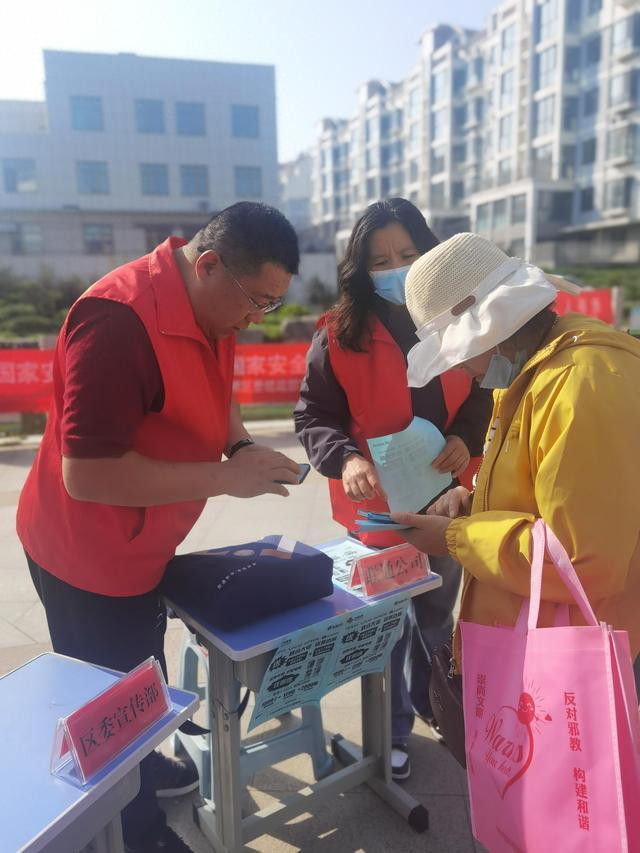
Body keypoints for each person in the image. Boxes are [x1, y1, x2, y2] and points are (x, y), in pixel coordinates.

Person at [16, 202, 303, 853]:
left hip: (143, 543)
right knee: (108, 697)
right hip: (86, 554)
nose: (258, 319)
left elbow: (219, 385)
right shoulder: (116, 321)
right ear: (209, 265)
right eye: (257, 301)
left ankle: (145, 767)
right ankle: (133, 829)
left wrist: (239, 446)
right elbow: (87, 475)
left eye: (273, 305)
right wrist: (224, 479)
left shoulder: (213, 306)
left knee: (143, 670)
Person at [391, 232, 640, 697]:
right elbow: (544, 494)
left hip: (574, 656)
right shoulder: (537, 369)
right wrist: (473, 503)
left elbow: (582, 561)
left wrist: (456, 538)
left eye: (460, 353)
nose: (460, 370)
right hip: (544, 635)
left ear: (496, 329)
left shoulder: (579, 385)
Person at [294, 199, 492, 779]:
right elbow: (313, 415)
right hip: (378, 512)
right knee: (388, 627)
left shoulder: (456, 318)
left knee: (435, 615)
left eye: (407, 254)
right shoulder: (338, 333)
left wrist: (463, 437)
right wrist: (345, 459)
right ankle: (392, 729)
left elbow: (485, 391)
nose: (397, 268)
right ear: (359, 268)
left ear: (430, 252)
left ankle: (438, 704)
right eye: (380, 260)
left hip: (447, 497)